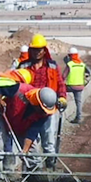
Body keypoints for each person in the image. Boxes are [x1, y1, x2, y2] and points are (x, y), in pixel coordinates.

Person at [19, 34, 67, 169]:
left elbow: (60, 83)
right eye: (35, 49)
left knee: (49, 139)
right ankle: (31, 170)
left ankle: (50, 168)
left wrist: (62, 97)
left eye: (40, 49)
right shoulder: (24, 66)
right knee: (31, 139)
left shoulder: (52, 66)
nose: (37, 52)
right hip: (30, 107)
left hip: (49, 108)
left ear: (44, 50)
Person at [0, 85, 57, 172]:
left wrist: (24, 150)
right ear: (37, 103)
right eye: (42, 109)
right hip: (3, 117)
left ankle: (33, 176)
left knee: (33, 153)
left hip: (22, 127)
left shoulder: (44, 114)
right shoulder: (20, 90)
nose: (43, 112)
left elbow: (32, 132)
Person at [62, 47, 91, 124]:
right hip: (80, 86)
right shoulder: (82, 64)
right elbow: (89, 74)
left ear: (70, 56)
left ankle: (61, 108)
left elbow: (63, 76)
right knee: (79, 102)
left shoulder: (70, 64)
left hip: (70, 86)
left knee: (60, 91)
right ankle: (79, 117)